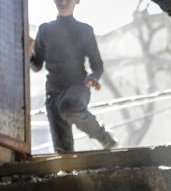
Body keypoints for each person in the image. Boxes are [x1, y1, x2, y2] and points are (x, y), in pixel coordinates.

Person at [29, 0, 117, 153]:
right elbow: (36, 65)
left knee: (69, 107)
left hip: (77, 88)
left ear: (77, 1)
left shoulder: (84, 30)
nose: (63, 1)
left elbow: (97, 65)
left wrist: (93, 78)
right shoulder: (44, 30)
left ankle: (105, 138)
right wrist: (29, 50)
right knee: (63, 152)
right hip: (53, 94)